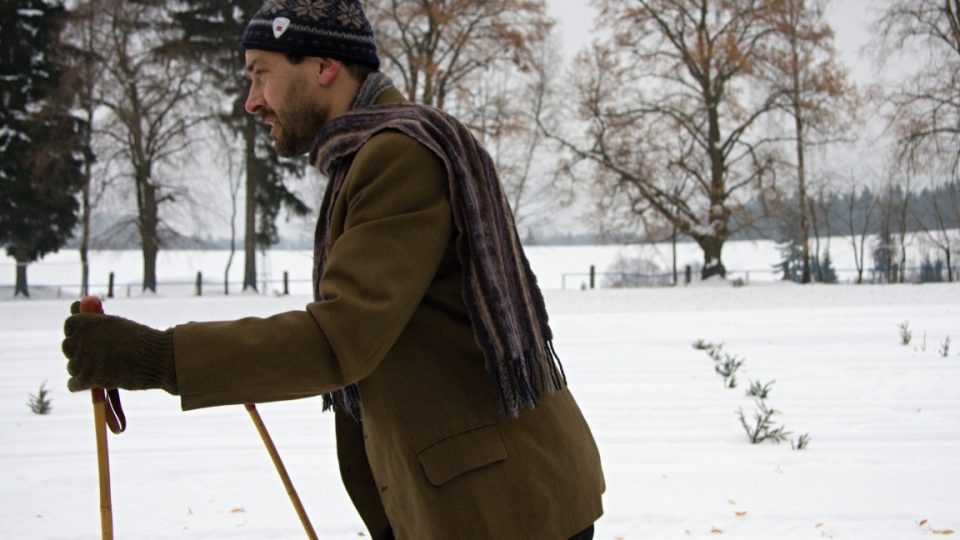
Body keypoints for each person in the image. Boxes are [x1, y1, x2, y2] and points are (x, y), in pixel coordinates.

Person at [61, 1, 604, 538]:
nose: (251, 101)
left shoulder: (399, 156)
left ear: (324, 67)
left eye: (260, 74)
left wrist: (157, 358)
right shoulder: (367, 156)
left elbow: (341, 338)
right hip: (474, 499)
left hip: (504, 508)